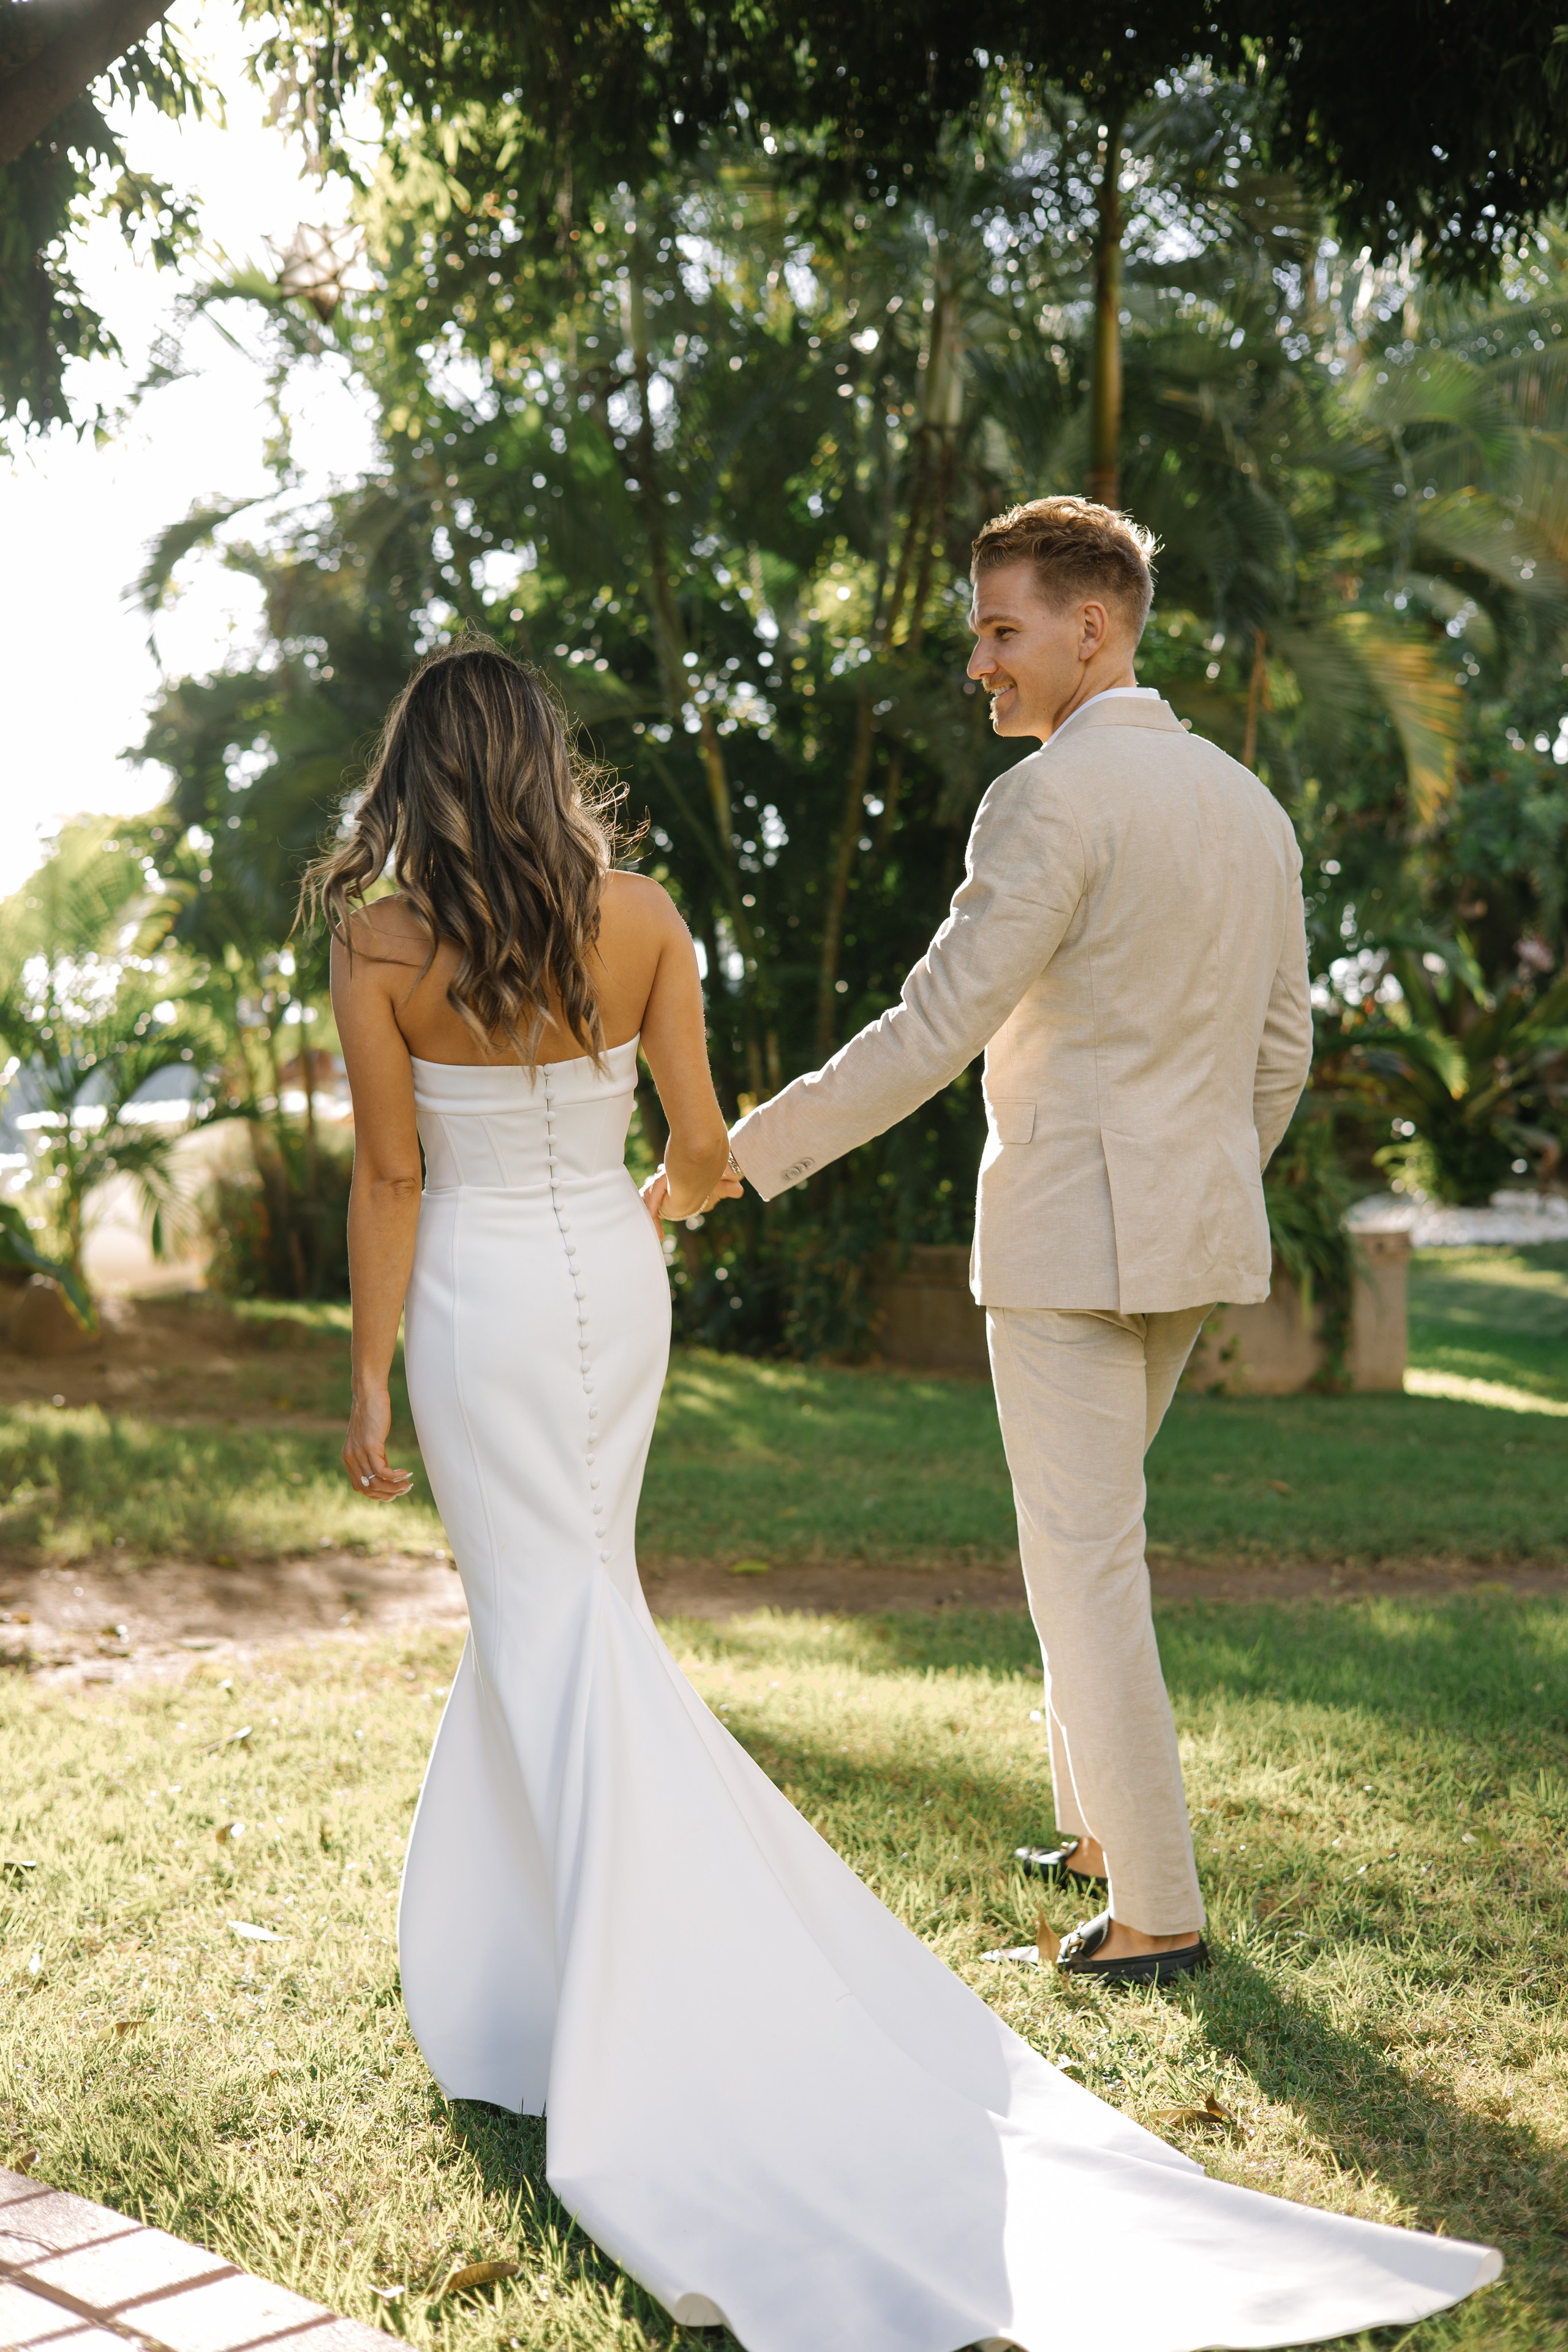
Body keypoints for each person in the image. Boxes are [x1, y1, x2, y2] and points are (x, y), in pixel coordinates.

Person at [320, 631, 1497, 2352]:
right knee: (574, 1616)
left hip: (483, 1310)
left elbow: (389, 1168)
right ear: (537, 760)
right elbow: (704, 1148)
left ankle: (616, 2008)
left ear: (416, 770)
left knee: (548, 1620)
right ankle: (534, 1991)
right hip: (608, 1295)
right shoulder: (640, 919)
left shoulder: (379, 937)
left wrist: (367, 1370)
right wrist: (669, 1185)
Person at [717, 496, 1310, 1986]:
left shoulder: (1048, 798)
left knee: (1081, 1564)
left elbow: (934, 1028)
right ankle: (1101, 1832)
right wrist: (1207, 1174)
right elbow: (1283, 1049)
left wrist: (747, 1154)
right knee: (1086, 1538)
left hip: (1065, 1237)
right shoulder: (1247, 804)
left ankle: (1159, 1907)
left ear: (1087, 626)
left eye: (1000, 631)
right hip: (1189, 1235)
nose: (980, 664)